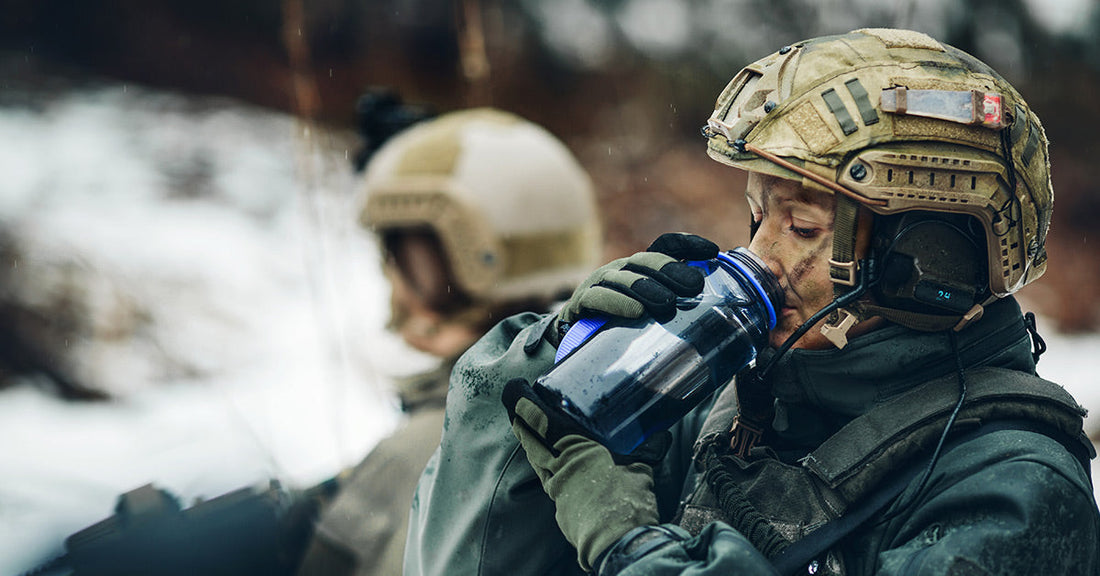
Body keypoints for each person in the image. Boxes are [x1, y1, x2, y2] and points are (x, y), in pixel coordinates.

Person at [404, 28, 1099, 576]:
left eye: (800, 228)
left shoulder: (1016, 490)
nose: (760, 257)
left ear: (927, 264)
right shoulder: (732, 410)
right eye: (757, 216)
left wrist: (631, 546)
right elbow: (462, 559)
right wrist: (558, 356)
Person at [295, 105, 603, 576]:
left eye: (417, 260)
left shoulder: (434, 449)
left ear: (478, 260)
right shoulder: (598, 392)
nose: (397, 284)